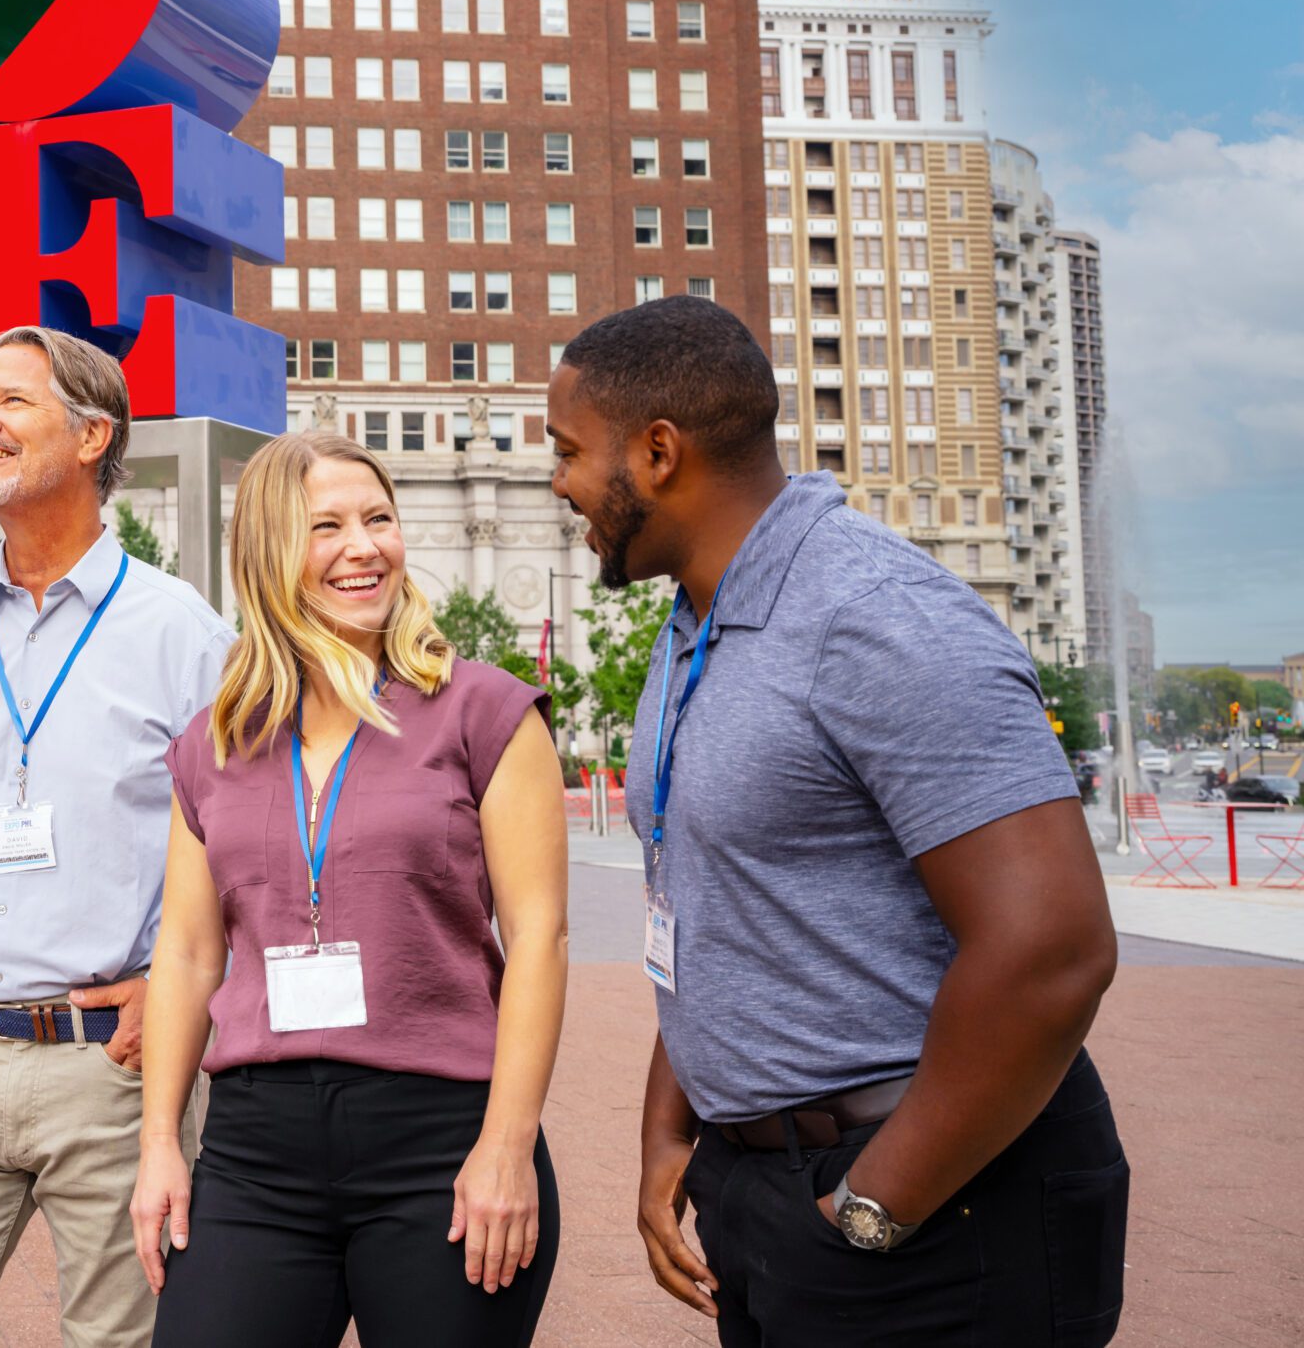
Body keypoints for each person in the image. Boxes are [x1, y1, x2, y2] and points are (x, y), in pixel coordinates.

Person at [544, 297, 1128, 1348]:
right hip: (764, 1187)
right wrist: (676, 1126)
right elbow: (719, 894)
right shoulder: (695, 622)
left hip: (937, 1203)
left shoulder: (875, 617)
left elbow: (1052, 949)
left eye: (568, 451)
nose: (558, 483)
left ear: (659, 453)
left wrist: (868, 1210)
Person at [134, 432, 569, 1347]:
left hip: (441, 1141)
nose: (363, 545)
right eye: (324, 526)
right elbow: (184, 952)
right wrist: (160, 1143)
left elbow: (539, 938)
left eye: (378, 519)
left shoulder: (485, 711)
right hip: (256, 1151)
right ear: (266, 553)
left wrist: (506, 1145)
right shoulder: (214, 742)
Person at [0, 327, 235, 1348]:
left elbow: (241, 841)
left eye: (12, 402)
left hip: (112, 1069)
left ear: (91, 433)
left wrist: (174, 987)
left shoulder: (182, 633)